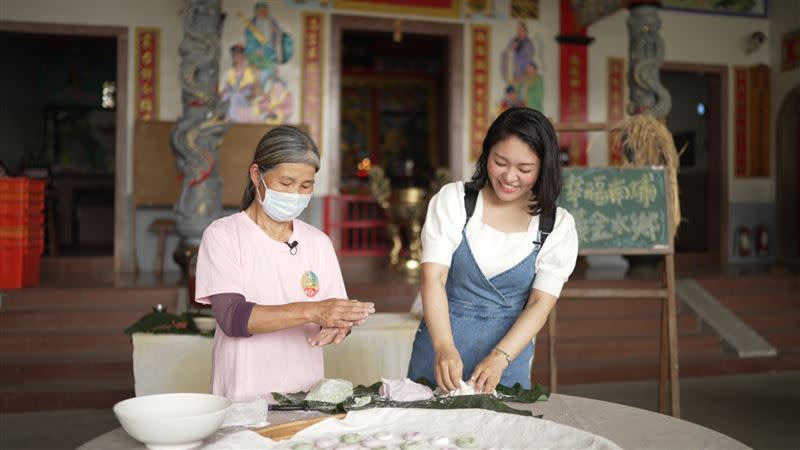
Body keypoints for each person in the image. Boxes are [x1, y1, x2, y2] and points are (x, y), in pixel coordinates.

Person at [194, 125, 375, 400]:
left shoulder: (318, 243)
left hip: (306, 395)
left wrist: (342, 323)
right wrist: (315, 312)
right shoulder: (223, 236)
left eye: (305, 186)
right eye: (286, 184)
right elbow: (232, 318)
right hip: (244, 395)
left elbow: (331, 310)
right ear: (257, 175)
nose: (295, 194)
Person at [407, 107, 578, 394]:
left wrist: (500, 357)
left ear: (543, 168)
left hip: (506, 361)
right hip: (439, 352)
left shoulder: (556, 225)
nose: (510, 176)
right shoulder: (455, 201)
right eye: (500, 162)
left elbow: (540, 304)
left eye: (525, 169)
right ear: (487, 154)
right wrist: (444, 346)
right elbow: (433, 277)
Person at [221, 44, 259, 123]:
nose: (238, 58)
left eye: (240, 56)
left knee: (235, 96)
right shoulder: (230, 72)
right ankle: (226, 117)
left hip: (246, 96)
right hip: (233, 93)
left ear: (243, 57)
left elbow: (255, 90)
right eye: (235, 56)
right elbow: (226, 88)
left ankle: (232, 119)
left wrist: (255, 80)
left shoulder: (250, 71)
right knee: (225, 96)